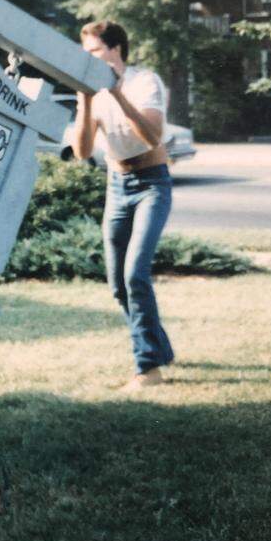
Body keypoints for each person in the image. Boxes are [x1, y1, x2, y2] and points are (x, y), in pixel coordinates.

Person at [72, 21, 175, 391]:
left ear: (116, 50)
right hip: (117, 187)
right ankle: (159, 348)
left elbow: (152, 136)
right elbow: (83, 152)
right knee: (118, 284)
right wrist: (85, 99)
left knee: (135, 275)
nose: (87, 59)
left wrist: (116, 95)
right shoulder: (91, 93)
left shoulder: (144, 82)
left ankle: (148, 369)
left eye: (94, 52)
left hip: (152, 185)